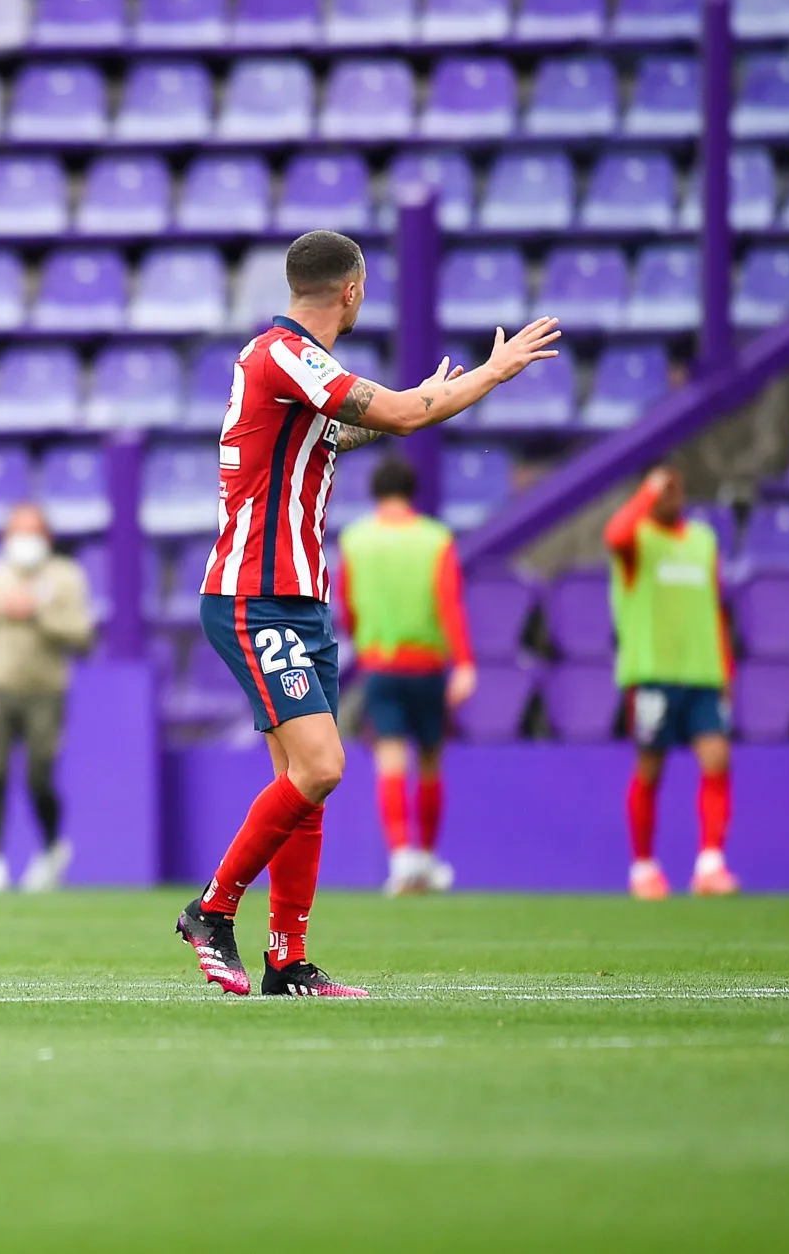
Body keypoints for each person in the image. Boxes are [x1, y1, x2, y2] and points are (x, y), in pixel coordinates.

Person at [176, 229, 562, 999]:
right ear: (350, 290)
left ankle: (286, 960)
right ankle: (212, 910)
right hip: (254, 595)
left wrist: (434, 397)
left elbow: (361, 425)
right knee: (321, 765)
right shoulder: (284, 354)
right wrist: (487, 375)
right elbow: (395, 414)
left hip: (298, 597)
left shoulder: (287, 369)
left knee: (302, 780)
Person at [336, 455, 476, 897]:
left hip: (381, 662)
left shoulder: (356, 540)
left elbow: (347, 606)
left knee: (391, 759)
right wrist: (465, 662)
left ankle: (400, 859)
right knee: (431, 761)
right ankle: (429, 860)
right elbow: (450, 603)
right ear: (413, 490)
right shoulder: (435, 539)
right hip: (428, 664)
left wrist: (365, 641)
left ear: (375, 491)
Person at [0, 504, 95, 894]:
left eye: (32, 531)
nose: (24, 540)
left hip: (47, 692)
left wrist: (38, 614)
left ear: (46, 537)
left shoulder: (66, 578)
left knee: (38, 778)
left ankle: (50, 849)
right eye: (17, 531)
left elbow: (83, 636)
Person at [606, 465, 738, 900]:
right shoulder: (637, 540)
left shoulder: (703, 540)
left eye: (676, 488)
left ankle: (710, 864)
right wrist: (646, 493)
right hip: (652, 674)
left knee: (717, 759)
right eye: (663, 489)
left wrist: (726, 671)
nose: (671, 496)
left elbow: (714, 608)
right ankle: (644, 868)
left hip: (701, 672)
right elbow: (615, 535)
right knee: (650, 768)